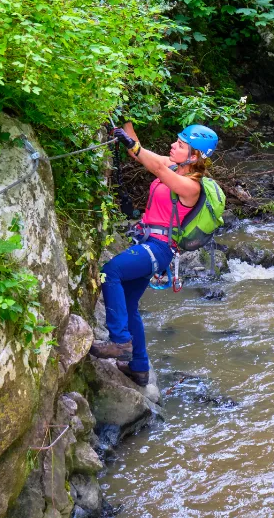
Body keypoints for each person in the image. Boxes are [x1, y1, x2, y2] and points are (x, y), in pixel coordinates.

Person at [89, 122, 219, 386]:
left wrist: (133, 144)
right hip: (149, 244)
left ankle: (120, 341)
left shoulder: (191, 186)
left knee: (109, 272)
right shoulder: (173, 166)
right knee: (128, 303)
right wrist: (125, 124)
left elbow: (155, 167)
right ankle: (139, 366)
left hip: (159, 249)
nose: (173, 145)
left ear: (194, 156)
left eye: (180, 145)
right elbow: (139, 153)